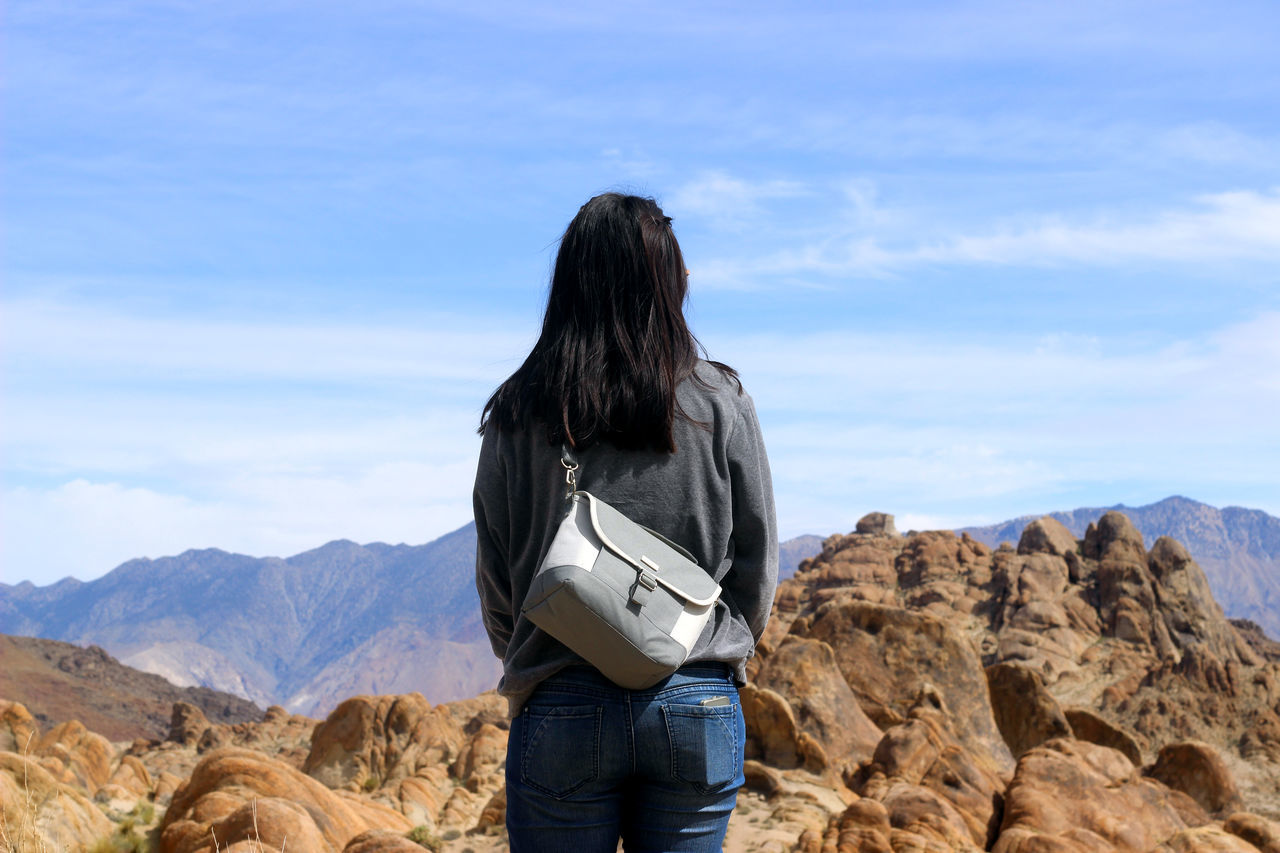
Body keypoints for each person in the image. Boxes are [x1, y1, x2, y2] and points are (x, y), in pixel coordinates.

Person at [473, 192, 777, 852]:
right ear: (666, 280)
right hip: (695, 695)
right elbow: (756, 564)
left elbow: (497, 576)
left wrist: (540, 649)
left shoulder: (517, 411)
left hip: (560, 696)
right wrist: (709, 650)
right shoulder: (722, 400)